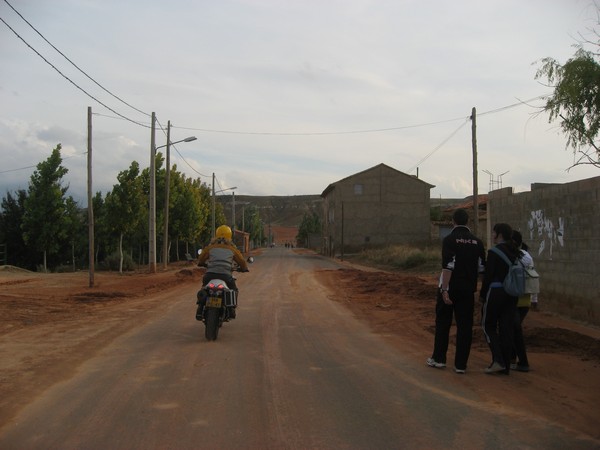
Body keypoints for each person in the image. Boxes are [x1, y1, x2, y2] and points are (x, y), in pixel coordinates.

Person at [427, 208, 486, 374]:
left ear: (453, 221)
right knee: (465, 326)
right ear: (468, 221)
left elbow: (448, 266)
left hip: (450, 288)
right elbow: (482, 269)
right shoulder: (477, 242)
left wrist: (444, 290)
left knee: (443, 323)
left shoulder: (449, 239)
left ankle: (439, 359)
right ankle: (461, 365)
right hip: (468, 290)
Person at [480, 223, 520, 375]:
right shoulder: (516, 252)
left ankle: (498, 360)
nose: (492, 235)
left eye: (494, 232)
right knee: (506, 328)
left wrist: (483, 295)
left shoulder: (494, 252)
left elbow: (488, 277)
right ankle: (506, 365)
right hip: (512, 294)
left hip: (495, 292)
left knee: (487, 325)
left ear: (499, 234)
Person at [197, 224, 249, 319]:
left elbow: (201, 259)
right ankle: (231, 309)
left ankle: (200, 309)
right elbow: (241, 261)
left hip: (210, 275)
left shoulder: (210, 247)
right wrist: (244, 268)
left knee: (204, 288)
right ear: (230, 236)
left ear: (216, 235)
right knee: (233, 290)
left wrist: (201, 263)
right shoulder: (232, 249)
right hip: (225, 276)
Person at [511, 230, 534, 372]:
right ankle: (512, 358)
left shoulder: (522, 257)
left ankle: (523, 362)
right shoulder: (525, 256)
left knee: (514, 328)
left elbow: (532, 277)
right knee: (513, 328)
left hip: (519, 298)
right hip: (520, 297)